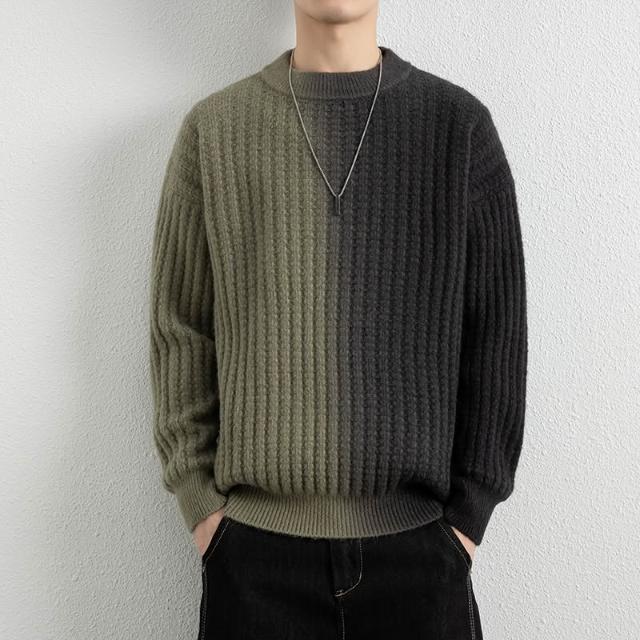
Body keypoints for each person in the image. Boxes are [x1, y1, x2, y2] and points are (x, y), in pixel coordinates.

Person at [148, 1, 528, 638]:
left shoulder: (458, 128)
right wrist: (202, 508)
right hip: (255, 562)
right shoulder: (214, 132)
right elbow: (180, 326)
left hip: (421, 557)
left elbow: (498, 333)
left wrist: (468, 517)